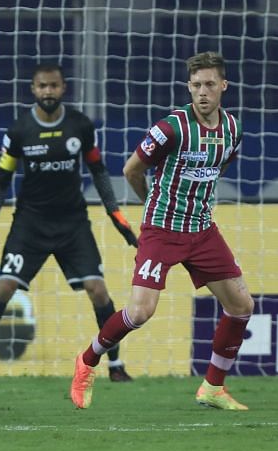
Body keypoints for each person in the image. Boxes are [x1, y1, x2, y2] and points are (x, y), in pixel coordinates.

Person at [69, 51, 254, 410]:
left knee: (241, 305)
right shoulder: (170, 127)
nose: (202, 92)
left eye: (210, 85)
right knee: (140, 312)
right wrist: (154, 200)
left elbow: (219, 166)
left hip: (202, 230)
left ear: (223, 86)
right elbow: (131, 170)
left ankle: (213, 387)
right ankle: (87, 362)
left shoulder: (234, 129)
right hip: (162, 228)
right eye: (196, 85)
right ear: (189, 86)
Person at [0, 63, 138, 383]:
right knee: (4, 286)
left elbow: (99, 172)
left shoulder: (80, 126)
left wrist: (115, 214)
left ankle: (116, 366)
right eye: (42, 86)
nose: (48, 91)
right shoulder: (19, 131)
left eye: (53, 86)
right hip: (30, 224)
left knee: (98, 290)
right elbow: (0, 182)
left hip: (73, 223)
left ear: (64, 88)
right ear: (33, 90)